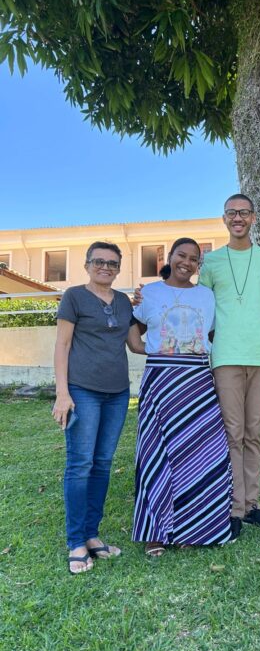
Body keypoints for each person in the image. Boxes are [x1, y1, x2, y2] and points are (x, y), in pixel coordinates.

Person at [131, 238, 233, 555]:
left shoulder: (206, 296)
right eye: (181, 255)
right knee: (156, 452)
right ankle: (156, 531)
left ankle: (196, 527)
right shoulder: (149, 292)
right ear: (170, 257)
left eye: (193, 258)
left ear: (198, 264)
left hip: (197, 380)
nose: (186, 262)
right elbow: (132, 331)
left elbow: (209, 334)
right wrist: (150, 349)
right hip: (161, 380)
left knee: (201, 452)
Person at [198, 194, 260, 540]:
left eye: (243, 213)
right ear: (224, 219)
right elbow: (201, 308)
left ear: (253, 218)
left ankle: (252, 504)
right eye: (231, 213)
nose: (237, 218)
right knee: (233, 433)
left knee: (254, 432)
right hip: (226, 357)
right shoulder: (211, 261)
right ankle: (233, 508)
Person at [53, 241, 140, 574]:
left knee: (102, 463)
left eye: (112, 263)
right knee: (80, 464)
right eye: (99, 261)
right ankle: (75, 541)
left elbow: (136, 344)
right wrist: (62, 393)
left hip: (118, 394)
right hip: (82, 391)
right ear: (87, 264)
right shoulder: (74, 296)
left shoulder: (123, 301)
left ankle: (91, 534)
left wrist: (176, 332)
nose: (106, 267)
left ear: (119, 268)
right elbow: (62, 345)